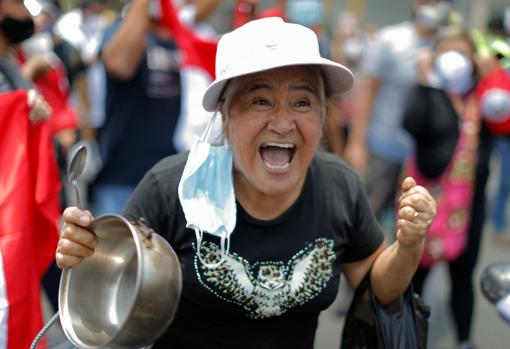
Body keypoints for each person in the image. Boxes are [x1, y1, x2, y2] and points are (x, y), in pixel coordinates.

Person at [55, 17, 437, 348]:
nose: (283, 122)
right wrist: (87, 255)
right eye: (260, 101)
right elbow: (112, 281)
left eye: (302, 103)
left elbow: (375, 290)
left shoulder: (340, 187)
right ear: (225, 113)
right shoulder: (174, 188)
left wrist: (408, 244)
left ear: (323, 115)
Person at [401, 26, 480, 349]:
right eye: (447, 52)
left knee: (463, 279)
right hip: (427, 199)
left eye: (461, 53)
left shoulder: (481, 95)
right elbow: (412, 123)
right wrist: (426, 80)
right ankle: (407, 339)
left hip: (469, 206)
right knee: (414, 278)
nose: (454, 60)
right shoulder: (428, 91)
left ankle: (464, 341)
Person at [344, 0, 452, 221]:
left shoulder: (449, 46)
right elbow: (367, 93)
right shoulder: (390, 39)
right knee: (367, 217)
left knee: (412, 224)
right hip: (382, 148)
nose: (432, 5)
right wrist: (356, 143)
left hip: (426, 158)